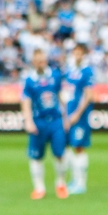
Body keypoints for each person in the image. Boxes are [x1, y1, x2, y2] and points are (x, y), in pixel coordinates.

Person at [22, 48, 68, 200]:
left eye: (43, 60)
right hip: (39, 122)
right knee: (36, 156)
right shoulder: (29, 80)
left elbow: (61, 96)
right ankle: (39, 187)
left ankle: (61, 184)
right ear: (34, 62)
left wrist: (66, 118)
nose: (41, 63)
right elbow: (26, 101)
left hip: (55, 120)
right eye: (38, 61)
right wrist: (28, 121)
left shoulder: (55, 75)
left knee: (60, 154)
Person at [63, 43, 94, 195]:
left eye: (80, 53)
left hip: (79, 117)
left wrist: (77, 113)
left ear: (84, 55)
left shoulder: (87, 72)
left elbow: (88, 95)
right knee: (67, 146)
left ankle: (81, 183)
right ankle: (74, 179)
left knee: (79, 147)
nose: (77, 55)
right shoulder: (69, 71)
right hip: (68, 114)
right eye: (75, 53)